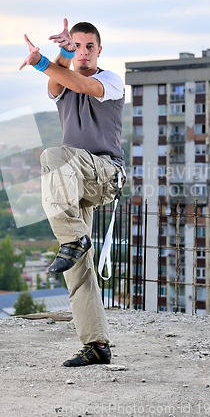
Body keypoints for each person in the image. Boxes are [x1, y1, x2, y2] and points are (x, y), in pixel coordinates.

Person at [20, 18, 125, 367]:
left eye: (88, 46)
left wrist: (40, 60)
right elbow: (59, 80)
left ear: (99, 50)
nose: (83, 52)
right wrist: (59, 54)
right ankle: (97, 344)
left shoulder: (110, 82)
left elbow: (77, 82)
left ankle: (73, 240)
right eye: (76, 46)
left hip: (105, 173)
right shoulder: (61, 83)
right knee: (77, 268)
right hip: (73, 180)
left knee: (52, 155)